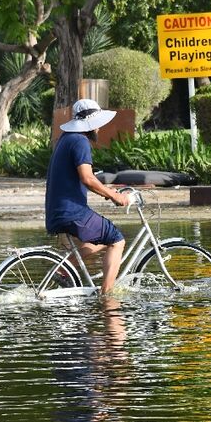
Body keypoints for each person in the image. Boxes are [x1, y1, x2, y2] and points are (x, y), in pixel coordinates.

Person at [45, 98, 129, 294]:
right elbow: (87, 178)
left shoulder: (65, 139)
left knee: (97, 242)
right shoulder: (80, 141)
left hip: (57, 211)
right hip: (71, 212)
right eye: (98, 125)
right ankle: (107, 295)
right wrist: (114, 197)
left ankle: (61, 270)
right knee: (117, 240)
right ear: (90, 125)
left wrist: (109, 190)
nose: (99, 129)